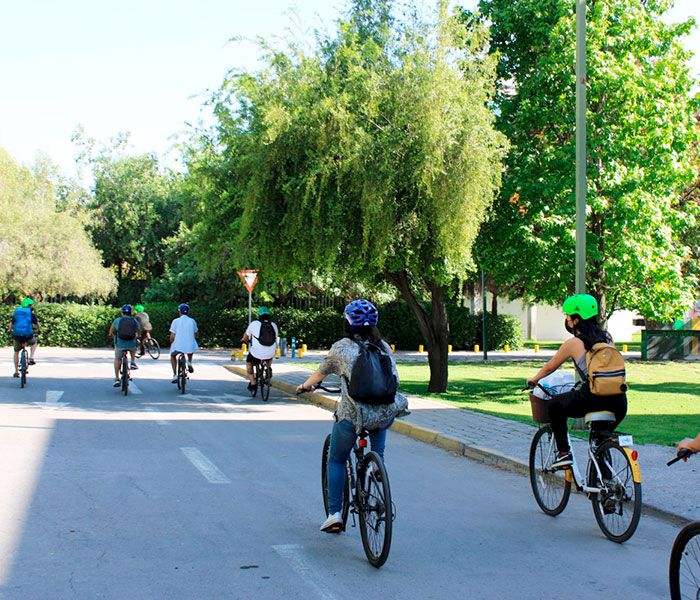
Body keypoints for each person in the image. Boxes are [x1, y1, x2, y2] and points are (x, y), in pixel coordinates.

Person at [296, 299, 408, 533]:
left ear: (347, 323)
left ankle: (335, 515)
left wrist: (305, 387)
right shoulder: (384, 347)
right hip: (384, 412)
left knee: (336, 459)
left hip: (353, 414)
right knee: (378, 441)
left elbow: (320, 374)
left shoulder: (341, 348)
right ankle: (378, 467)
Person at [527, 294, 627, 469]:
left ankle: (564, 453)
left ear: (576, 319)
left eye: (567, 316)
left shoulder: (573, 343)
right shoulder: (607, 338)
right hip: (619, 401)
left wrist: (534, 379)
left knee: (555, 406)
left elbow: (550, 367)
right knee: (600, 441)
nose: (566, 320)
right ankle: (607, 486)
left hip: (593, 398)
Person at [241, 307, 279, 392]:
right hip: (270, 352)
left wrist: (244, 340)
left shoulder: (254, 324)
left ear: (259, 315)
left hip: (256, 353)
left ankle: (253, 383)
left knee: (249, 363)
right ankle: (268, 368)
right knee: (270, 354)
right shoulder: (274, 325)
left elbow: (245, 336)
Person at [108, 304, 141, 387]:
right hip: (131, 343)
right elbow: (139, 330)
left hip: (120, 344)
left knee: (117, 359)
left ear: (122, 313)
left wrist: (110, 334)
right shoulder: (134, 321)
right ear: (130, 313)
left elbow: (111, 330)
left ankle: (117, 378)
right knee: (134, 347)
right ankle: (133, 362)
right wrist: (138, 335)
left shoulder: (117, 320)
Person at [9, 297, 40, 377]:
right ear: (30, 306)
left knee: (16, 351)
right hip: (27, 335)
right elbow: (36, 325)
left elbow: (11, 324)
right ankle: (31, 358)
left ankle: (16, 371)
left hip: (17, 335)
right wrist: (38, 330)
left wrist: (9, 331)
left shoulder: (16, 313)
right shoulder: (31, 314)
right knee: (34, 342)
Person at [169, 303, 199, 383]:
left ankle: (175, 375)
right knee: (190, 348)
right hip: (190, 345)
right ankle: (189, 362)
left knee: (172, 355)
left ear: (179, 312)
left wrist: (171, 342)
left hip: (178, 345)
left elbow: (172, 336)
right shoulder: (192, 321)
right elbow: (196, 334)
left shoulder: (175, 321)